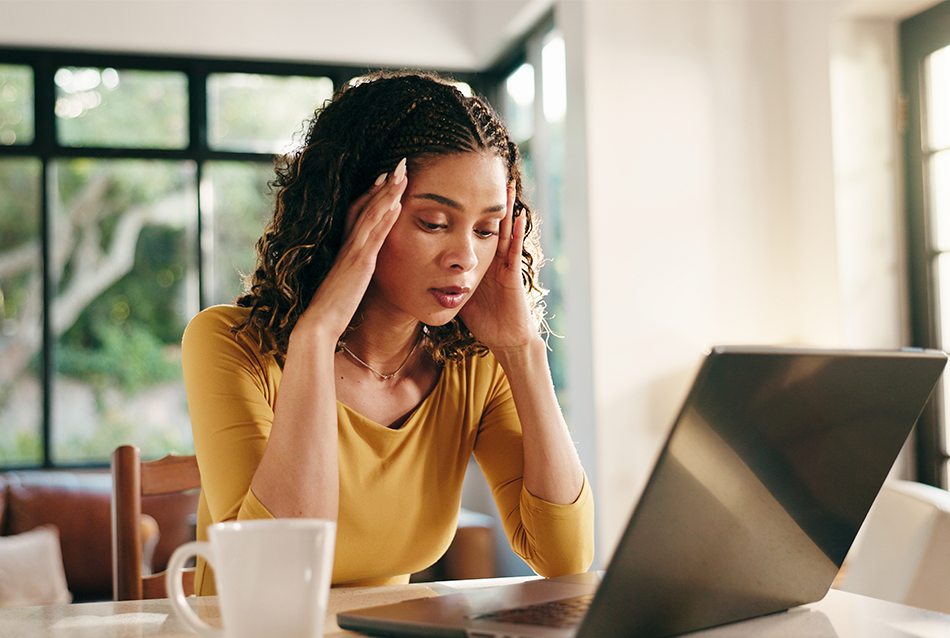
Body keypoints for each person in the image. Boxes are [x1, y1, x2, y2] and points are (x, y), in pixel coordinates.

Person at [181, 70, 594, 594]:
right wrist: (317, 336)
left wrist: (522, 350)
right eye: (434, 223)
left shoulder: (474, 366)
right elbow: (275, 575)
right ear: (350, 213)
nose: (465, 258)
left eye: (486, 229)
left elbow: (565, 558)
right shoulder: (231, 344)